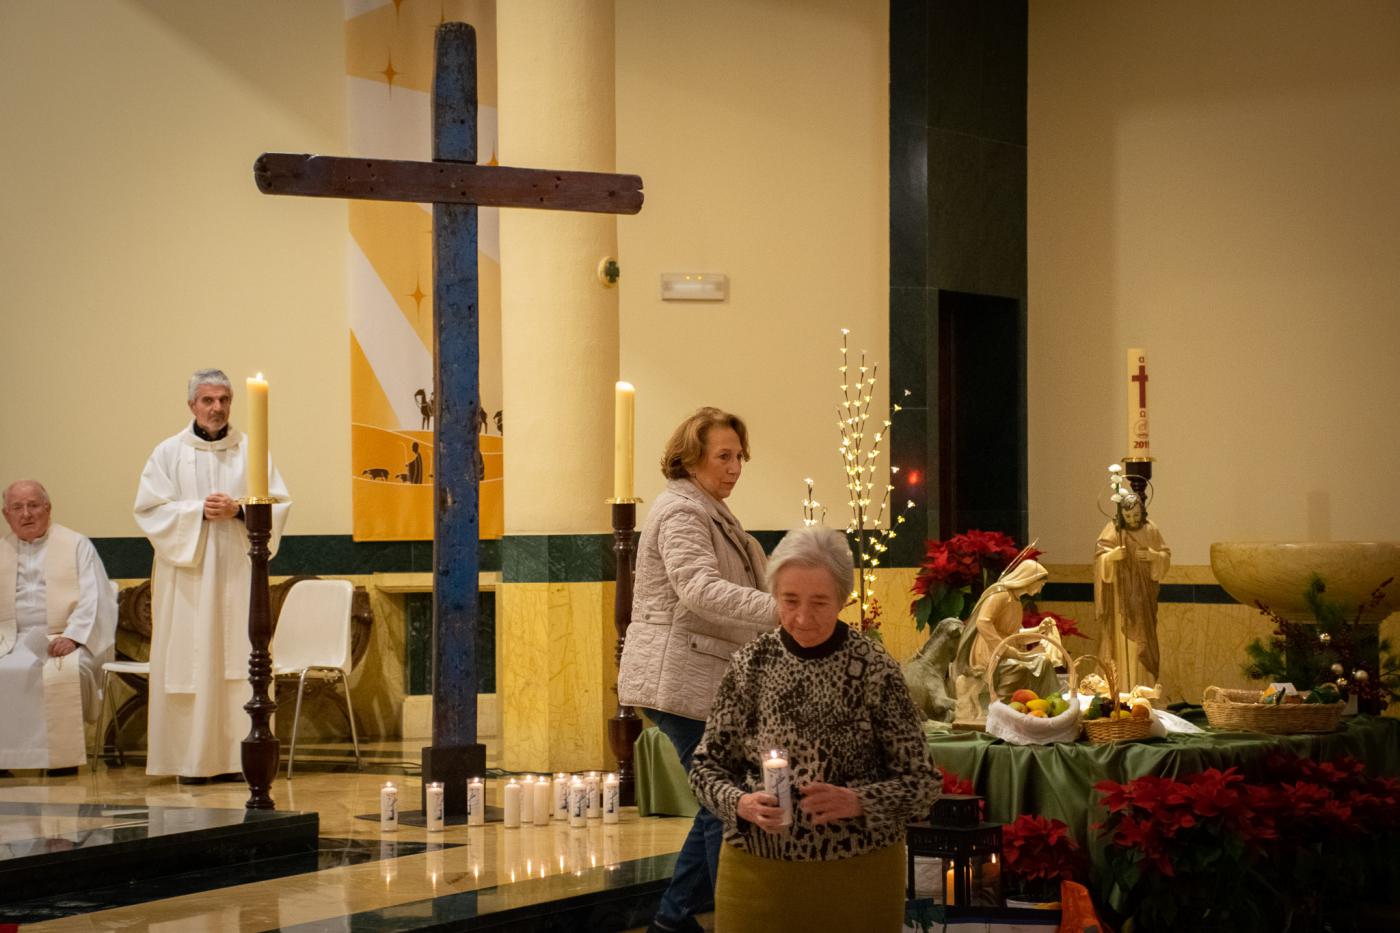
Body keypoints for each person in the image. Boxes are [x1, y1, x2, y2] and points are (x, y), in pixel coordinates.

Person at [689, 526, 939, 933]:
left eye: (820, 602)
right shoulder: (750, 666)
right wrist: (740, 803)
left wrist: (858, 801)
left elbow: (923, 784)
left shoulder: (872, 669)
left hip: (858, 875)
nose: (802, 618)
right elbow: (705, 769)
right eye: (789, 601)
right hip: (758, 873)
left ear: (843, 599)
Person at [617, 407, 776, 933]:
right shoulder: (683, 512)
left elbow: (754, 578)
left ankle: (675, 919)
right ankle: (723, 917)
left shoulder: (711, 511)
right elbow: (699, 590)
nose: (735, 467)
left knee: (718, 798)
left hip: (702, 680)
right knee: (723, 797)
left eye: (739, 457)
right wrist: (785, 612)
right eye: (723, 456)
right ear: (691, 459)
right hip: (680, 679)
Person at [133, 369, 290, 782]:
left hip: (238, 574)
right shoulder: (167, 453)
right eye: (208, 400)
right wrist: (196, 512)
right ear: (192, 406)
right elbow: (148, 511)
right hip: (188, 577)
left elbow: (281, 504)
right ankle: (190, 761)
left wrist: (239, 510)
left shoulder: (251, 451)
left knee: (239, 657)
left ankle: (241, 758)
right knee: (191, 659)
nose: (216, 408)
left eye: (223, 400)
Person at [0, 480, 116, 771]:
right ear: (6, 515)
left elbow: (96, 598)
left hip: (63, 638)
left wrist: (73, 637)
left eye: (33, 505)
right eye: (17, 507)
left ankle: (60, 760)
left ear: (48, 508)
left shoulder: (76, 545)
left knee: (64, 673)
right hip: (9, 639)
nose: (26, 514)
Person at [950, 558, 1060, 723]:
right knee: (1019, 668)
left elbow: (1015, 634)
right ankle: (1004, 710)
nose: (1039, 589)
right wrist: (1002, 648)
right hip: (989, 650)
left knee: (1044, 662)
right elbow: (983, 621)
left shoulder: (1015, 600)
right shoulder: (1001, 594)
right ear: (1029, 579)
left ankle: (1046, 708)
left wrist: (1040, 630)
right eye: (1040, 584)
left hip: (1006, 648)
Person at [1094, 490, 1170, 688]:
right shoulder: (1113, 529)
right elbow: (1099, 557)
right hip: (1120, 598)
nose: (1133, 519)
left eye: (1136, 515)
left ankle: (1143, 686)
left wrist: (1154, 556)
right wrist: (1111, 557)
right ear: (1121, 515)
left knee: (1143, 641)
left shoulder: (1151, 529)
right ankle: (1120, 688)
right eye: (1128, 516)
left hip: (1143, 598)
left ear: (1142, 512)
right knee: (1122, 642)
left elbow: (1165, 554)